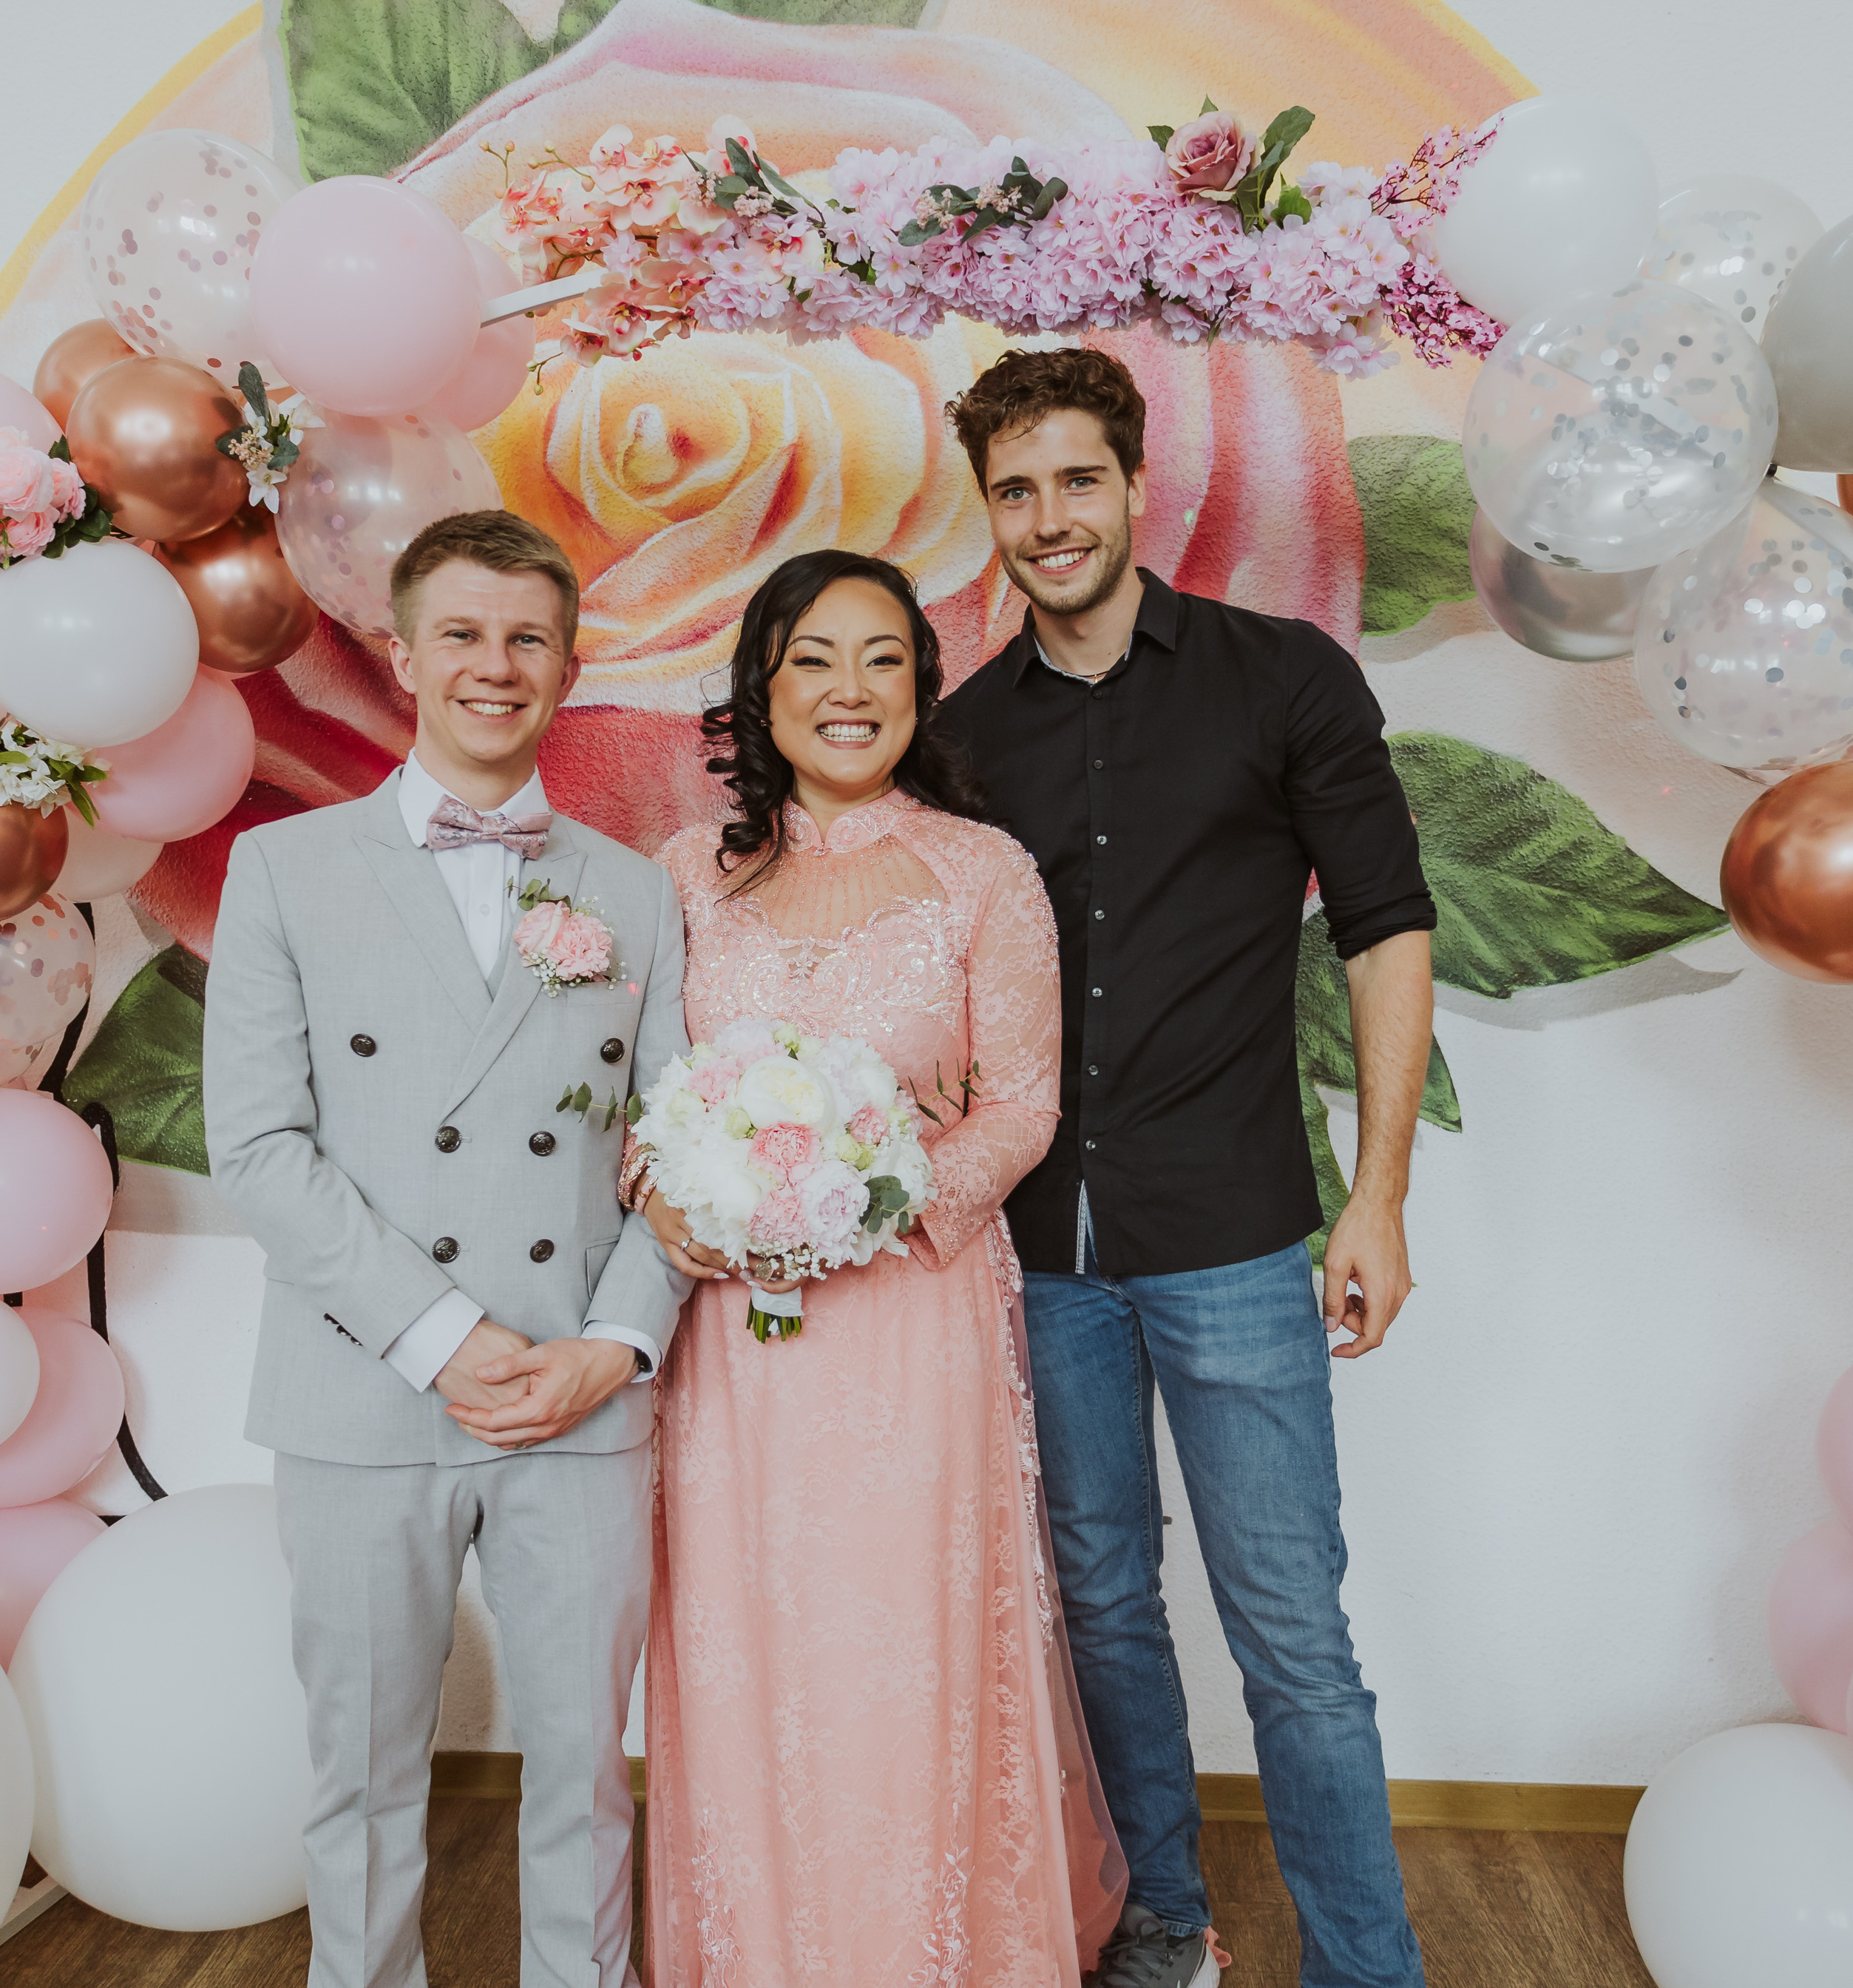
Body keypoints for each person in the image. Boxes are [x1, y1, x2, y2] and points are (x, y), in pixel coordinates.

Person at [935, 348, 1440, 1988]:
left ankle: (1365, 1967)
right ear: (990, 510)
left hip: (1234, 1233)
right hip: (1042, 1257)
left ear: (1136, 485)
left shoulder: (1282, 677)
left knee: (1292, 1633)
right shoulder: (962, 736)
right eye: (1015, 490)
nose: (1049, 518)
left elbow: (1385, 928)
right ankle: (1163, 1926)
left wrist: (1379, 1196)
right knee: (1100, 1603)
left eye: (1076, 480)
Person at [203, 510, 690, 1988]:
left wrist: (613, 1346)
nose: (496, 664)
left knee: (586, 1775)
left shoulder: (635, 891)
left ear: (568, 666)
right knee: (359, 1773)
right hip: (359, 1394)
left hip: (577, 1396)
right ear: (403, 656)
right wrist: (446, 1337)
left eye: (528, 638)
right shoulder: (282, 871)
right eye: (463, 634)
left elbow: (679, 1153)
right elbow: (260, 1149)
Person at [633, 550, 1128, 1987]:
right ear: (761, 687)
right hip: (730, 1340)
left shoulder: (984, 873)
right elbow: (639, 1099)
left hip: (912, 1316)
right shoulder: (685, 876)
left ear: (921, 687)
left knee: (898, 1641)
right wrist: (665, 1197)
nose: (848, 690)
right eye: (813, 658)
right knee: (751, 1637)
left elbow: (1022, 1104)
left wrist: (882, 1195)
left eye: (882, 660)